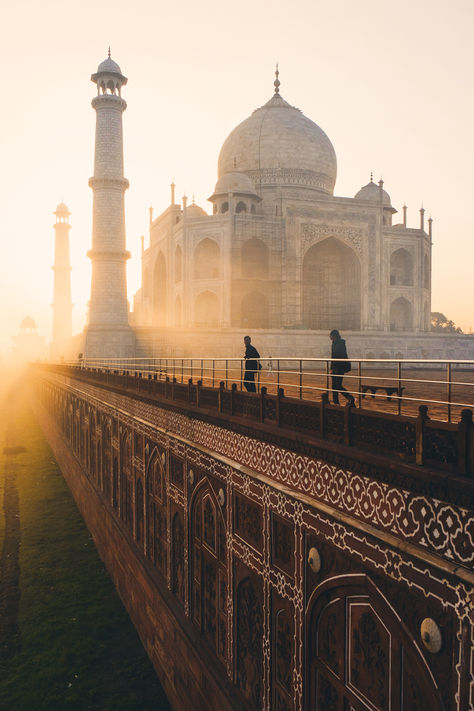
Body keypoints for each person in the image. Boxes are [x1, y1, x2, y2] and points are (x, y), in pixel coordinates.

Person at [329, 330, 355, 405]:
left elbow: (338, 355)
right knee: (334, 386)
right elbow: (332, 356)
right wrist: (331, 368)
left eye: (330, 335)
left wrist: (335, 368)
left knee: (338, 385)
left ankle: (349, 397)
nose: (329, 337)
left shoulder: (341, 343)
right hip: (335, 367)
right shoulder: (333, 343)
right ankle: (336, 402)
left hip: (340, 367)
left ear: (334, 336)